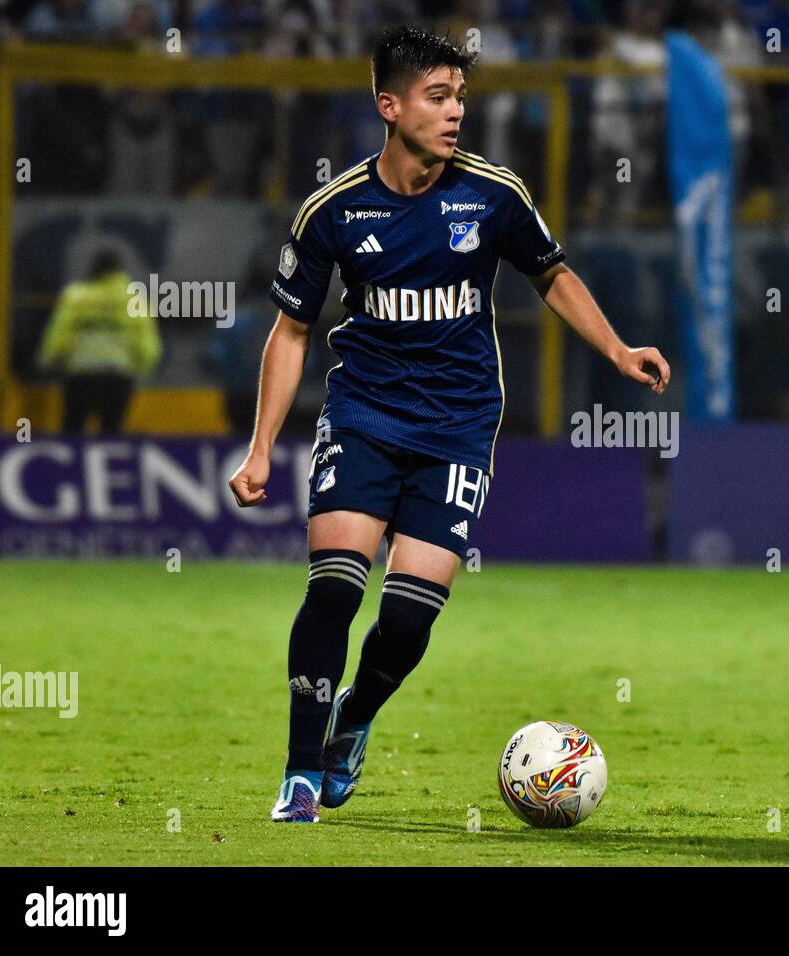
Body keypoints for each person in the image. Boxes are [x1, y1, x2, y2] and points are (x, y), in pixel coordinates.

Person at [227, 26, 671, 823]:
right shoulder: (333, 210)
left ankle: (355, 716)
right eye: (439, 97)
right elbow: (291, 331)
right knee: (333, 590)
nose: (456, 111)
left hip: (460, 427)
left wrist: (615, 347)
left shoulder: (494, 193)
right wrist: (261, 449)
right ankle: (299, 773)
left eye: (461, 96)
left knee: (404, 619)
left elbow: (552, 273)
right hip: (362, 414)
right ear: (388, 106)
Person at [38, 249, 162, 433]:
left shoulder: (76, 295)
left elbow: (60, 332)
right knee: (111, 429)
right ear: (120, 271)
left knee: (73, 427)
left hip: (81, 374)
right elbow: (144, 337)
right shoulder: (132, 298)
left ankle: (73, 462)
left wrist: (50, 357)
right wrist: (145, 364)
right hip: (117, 374)